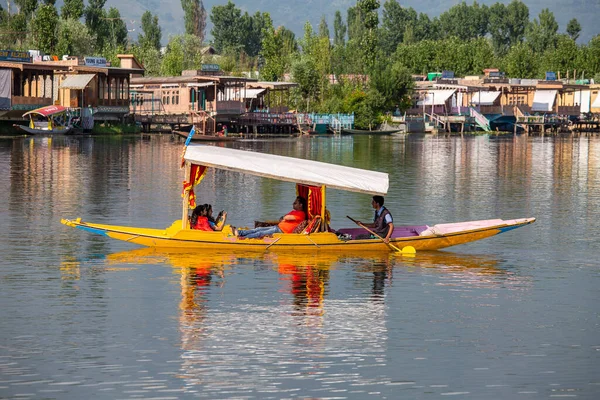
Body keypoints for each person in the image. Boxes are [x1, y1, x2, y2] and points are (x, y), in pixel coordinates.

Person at [236, 196, 306, 239]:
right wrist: (284, 218)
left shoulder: (301, 214)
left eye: (295, 203)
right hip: (278, 227)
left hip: (281, 231)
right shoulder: (294, 212)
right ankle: (240, 232)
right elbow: (282, 218)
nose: (293, 204)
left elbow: (286, 218)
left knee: (260, 233)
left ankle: (243, 238)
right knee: (259, 229)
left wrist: (284, 218)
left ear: (300, 205)